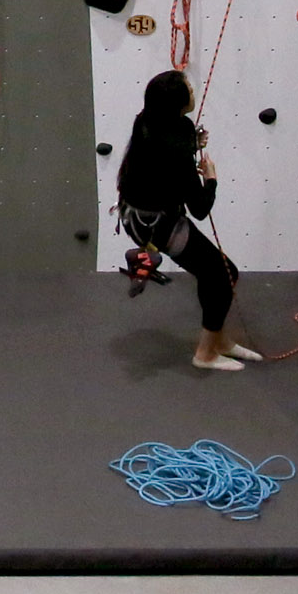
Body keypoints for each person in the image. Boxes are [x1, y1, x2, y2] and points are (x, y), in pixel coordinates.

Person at [116, 69, 260, 371]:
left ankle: (218, 340)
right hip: (158, 225)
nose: (194, 93)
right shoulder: (177, 146)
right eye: (189, 90)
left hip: (138, 215)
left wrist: (191, 145)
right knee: (223, 274)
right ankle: (206, 353)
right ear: (178, 101)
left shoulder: (148, 120)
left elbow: (162, 155)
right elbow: (199, 209)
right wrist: (211, 179)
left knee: (216, 272)